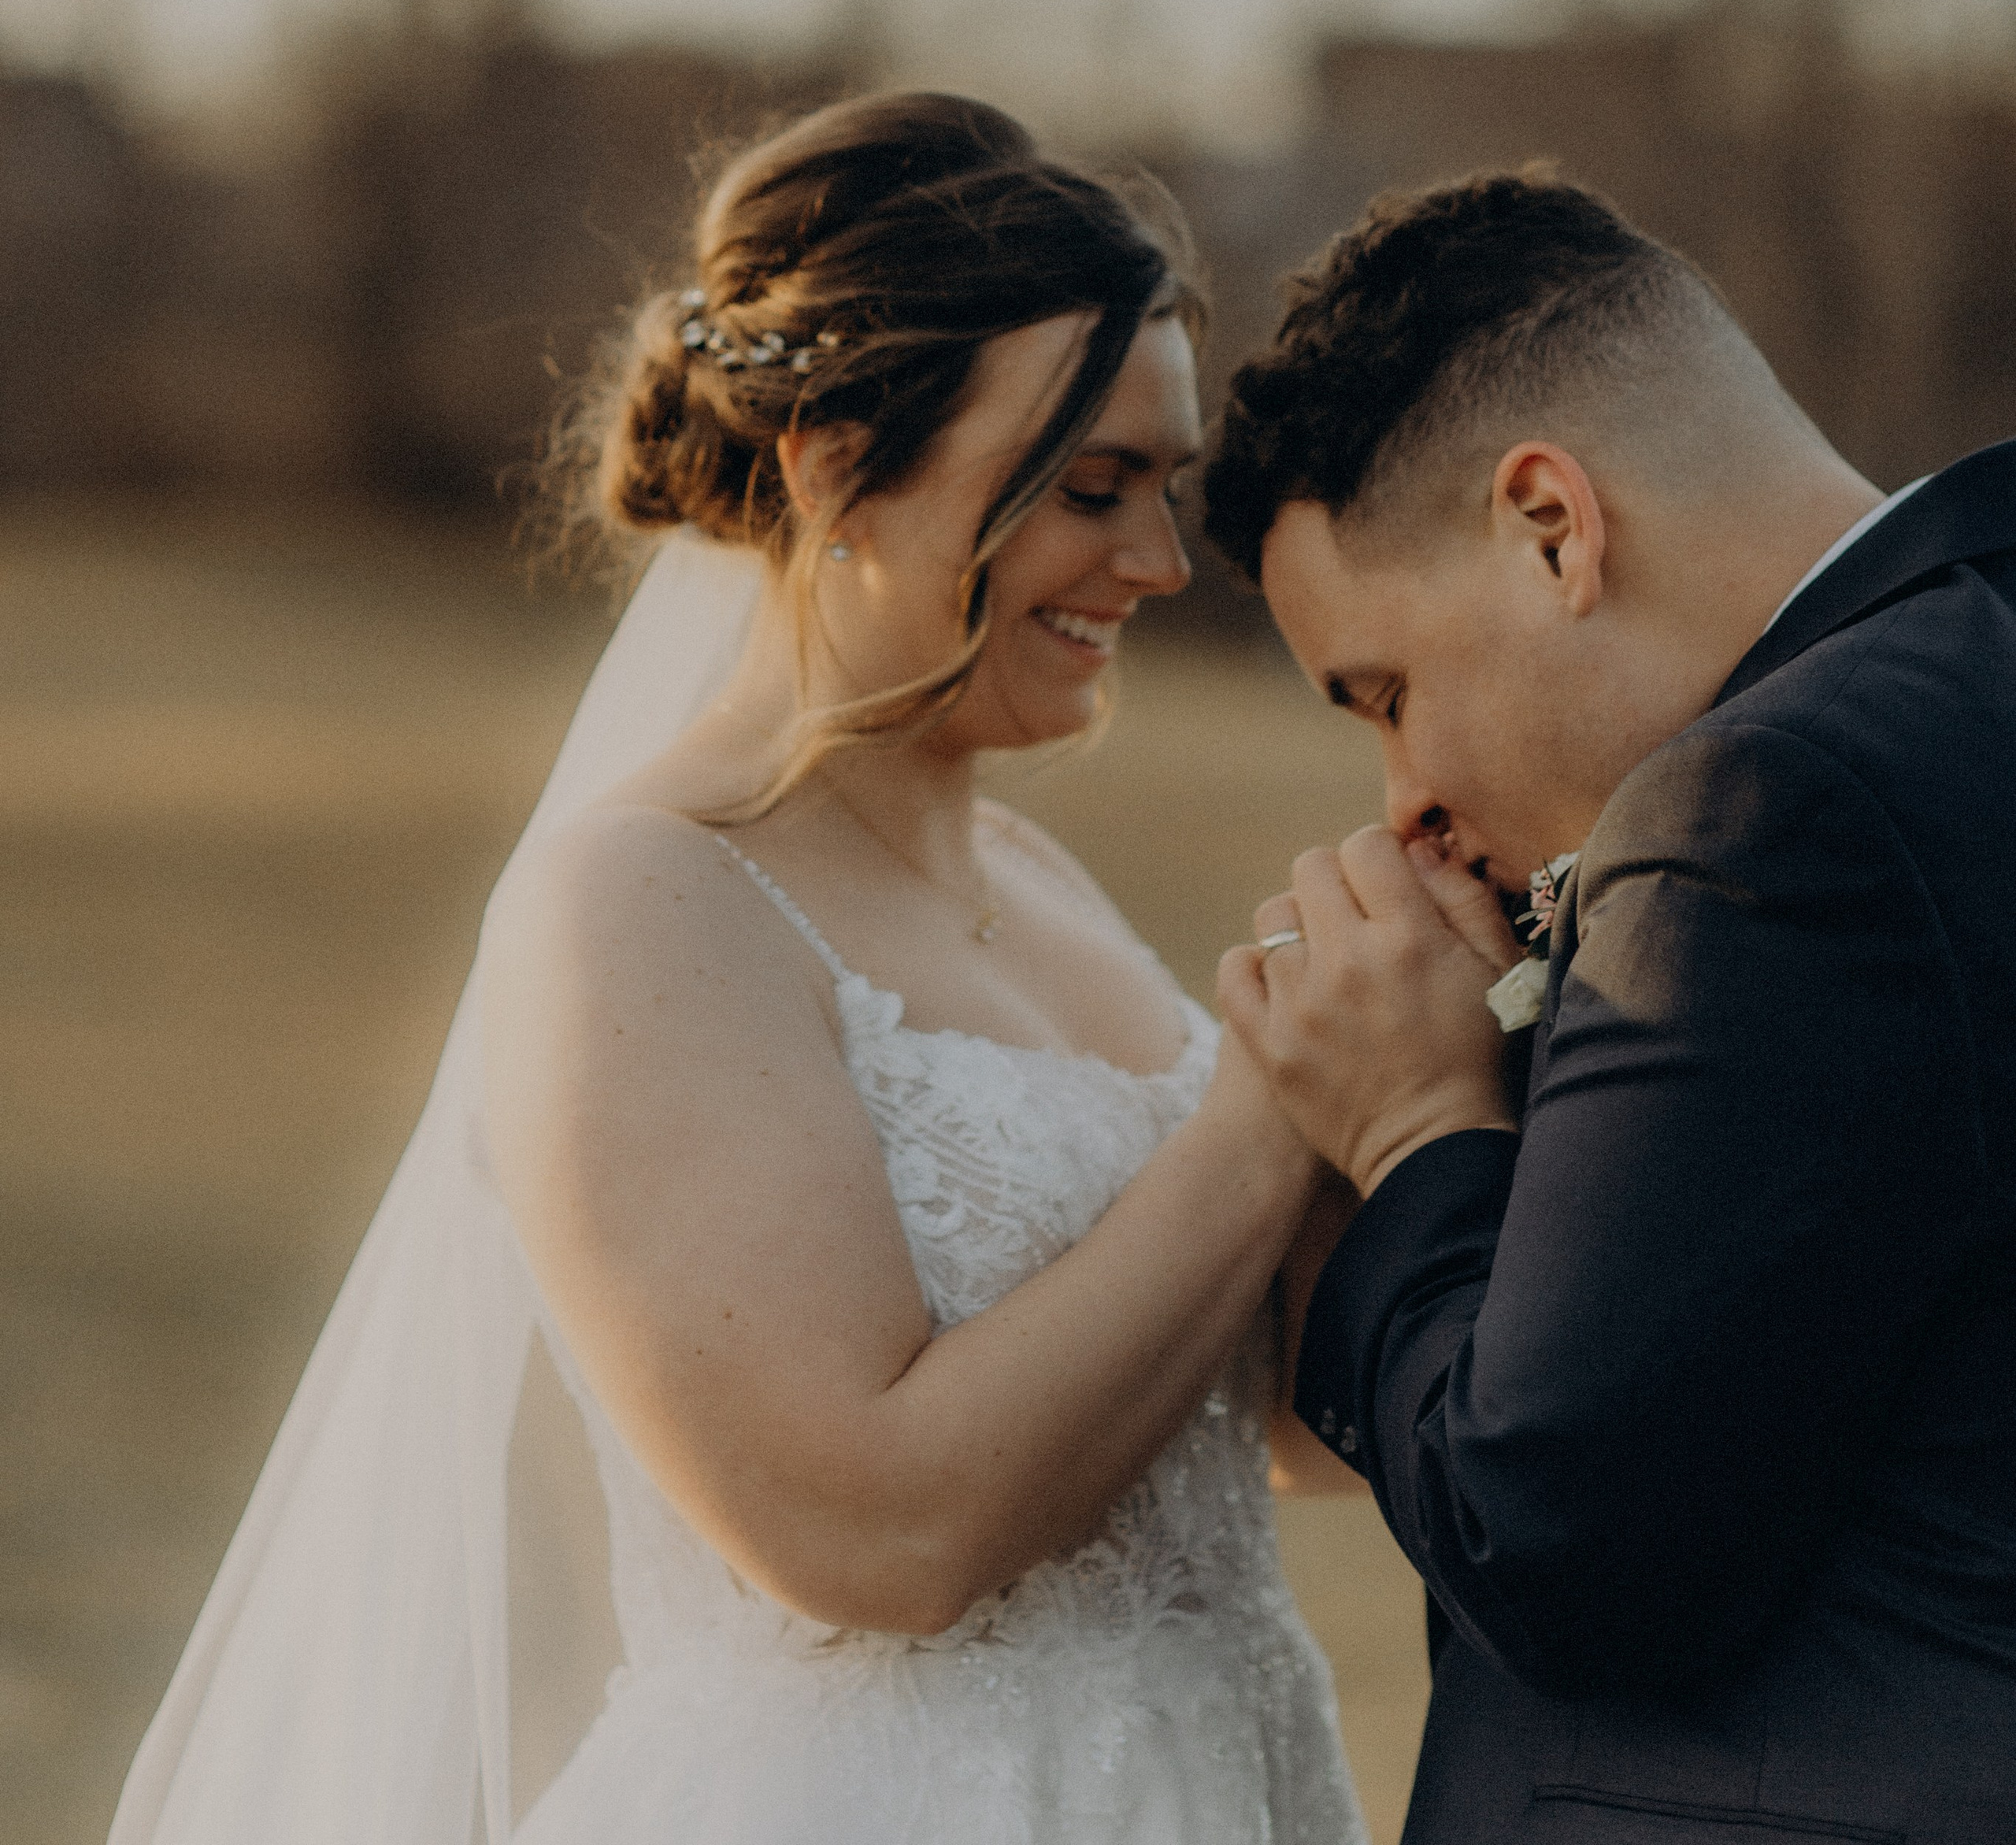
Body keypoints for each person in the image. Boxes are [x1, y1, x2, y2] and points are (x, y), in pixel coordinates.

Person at [111, 90, 1363, 1845]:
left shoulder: (1043, 881)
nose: (1156, 564)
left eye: (1166, 491)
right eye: (1092, 489)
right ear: (835, 466)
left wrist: (1406, 1066)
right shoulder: (643, 907)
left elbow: (1274, 1432)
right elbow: (872, 1536)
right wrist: (1260, 1115)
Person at [1203, 165, 2016, 1843]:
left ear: (1549, 526)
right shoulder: (1969, 667)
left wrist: (1416, 1129)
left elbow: (1565, 1545)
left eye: (1384, 691)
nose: (1405, 798)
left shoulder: (1766, 810)